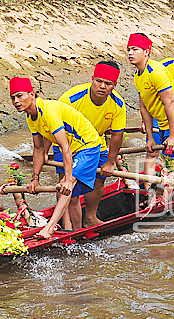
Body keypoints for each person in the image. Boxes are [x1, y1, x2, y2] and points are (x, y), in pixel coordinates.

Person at [11, 76, 104, 240]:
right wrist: (35, 179)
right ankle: (75, 232)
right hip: (73, 148)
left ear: (32, 95)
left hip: (87, 145)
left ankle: (50, 227)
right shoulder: (30, 116)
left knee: (67, 185)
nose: (16, 101)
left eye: (20, 96)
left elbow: (64, 148)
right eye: (13, 97)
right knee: (70, 193)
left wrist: (68, 179)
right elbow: (39, 148)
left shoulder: (48, 111)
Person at [127, 33, 174, 201]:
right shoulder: (138, 75)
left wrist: (173, 136)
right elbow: (144, 107)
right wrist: (150, 138)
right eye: (128, 49)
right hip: (164, 123)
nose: (130, 53)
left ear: (146, 52)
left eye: (135, 49)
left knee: (168, 166)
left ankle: (161, 201)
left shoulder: (156, 72)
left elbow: (170, 104)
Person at [58, 61, 127, 228]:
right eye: (98, 81)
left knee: (99, 179)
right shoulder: (72, 98)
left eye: (108, 84)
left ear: (114, 86)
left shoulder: (118, 104)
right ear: (92, 80)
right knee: (66, 183)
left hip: (96, 142)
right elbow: (52, 124)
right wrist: (44, 152)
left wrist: (110, 163)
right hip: (68, 142)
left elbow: (117, 135)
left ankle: (90, 216)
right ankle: (67, 224)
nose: (102, 86)